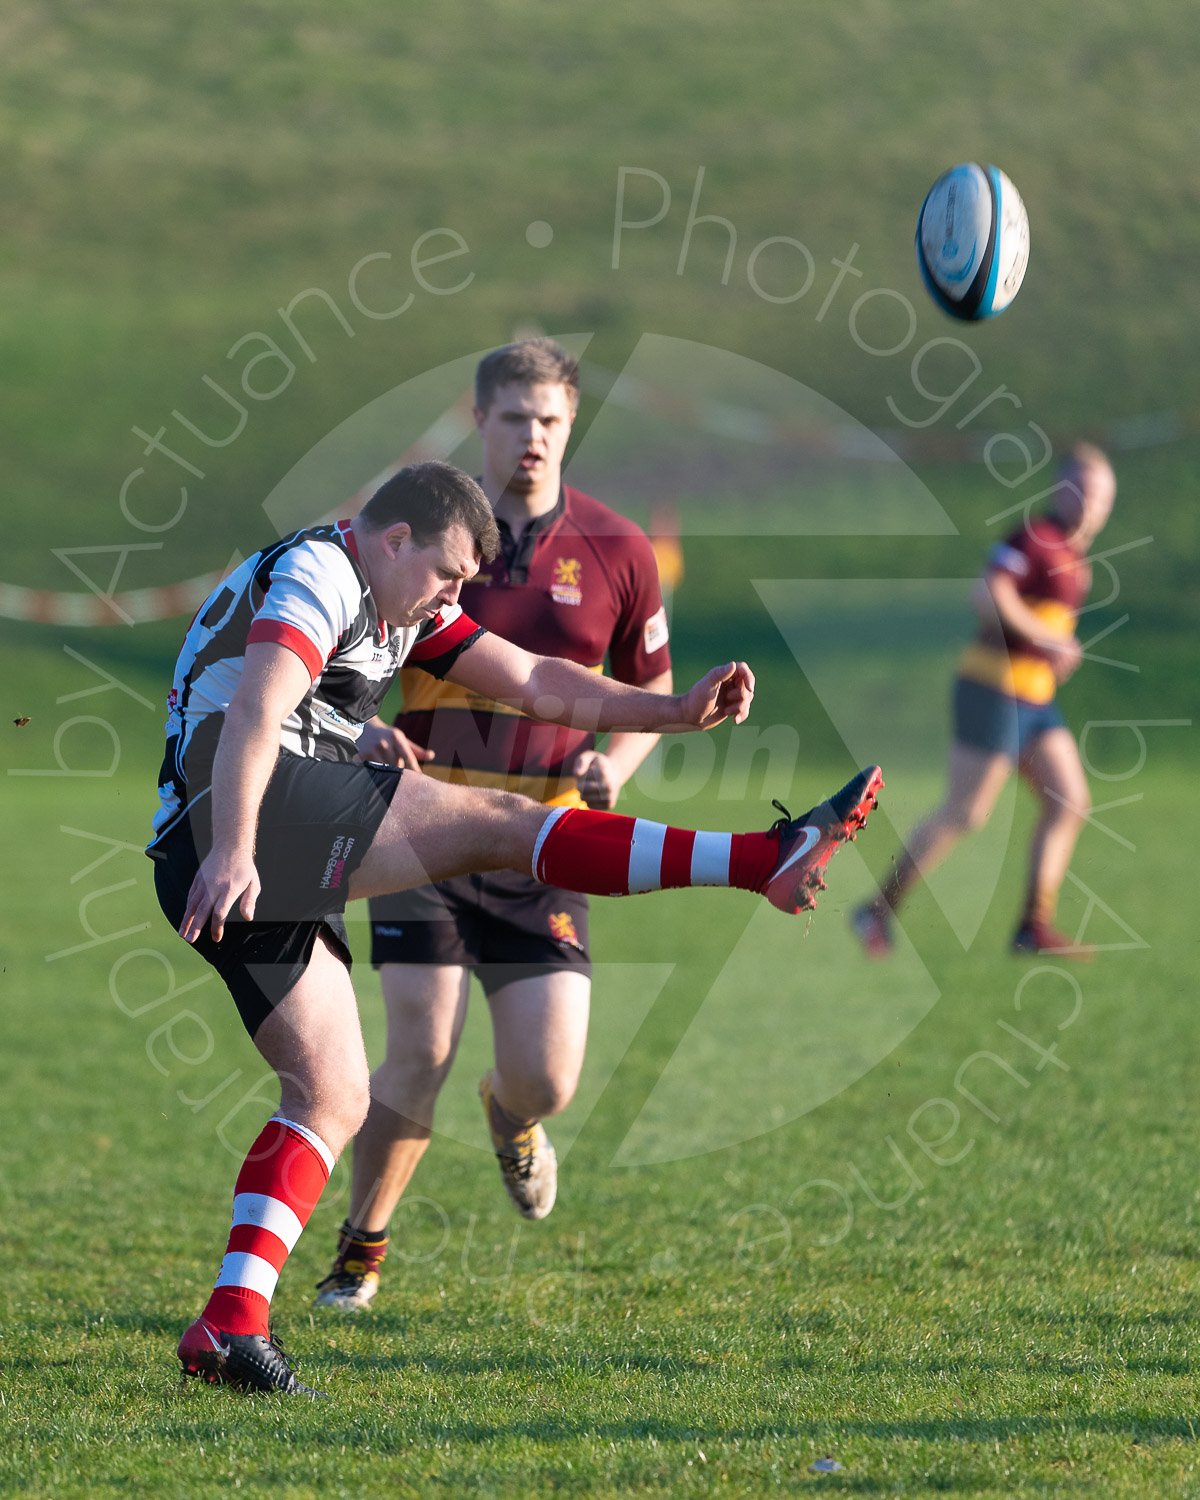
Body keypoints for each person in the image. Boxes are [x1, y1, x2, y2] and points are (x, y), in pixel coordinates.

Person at [147, 458, 882, 1395]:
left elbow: (533, 677)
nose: (452, 599)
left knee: (331, 1096)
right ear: (395, 536)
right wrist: (237, 848)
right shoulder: (323, 573)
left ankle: (228, 1325)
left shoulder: (395, 592)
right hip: (243, 825)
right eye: (447, 576)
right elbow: (255, 706)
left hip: (214, 849)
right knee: (501, 823)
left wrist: (672, 713)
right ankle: (756, 861)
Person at [313, 340, 674, 1314]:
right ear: (481, 419)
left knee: (549, 1079)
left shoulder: (618, 550)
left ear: (570, 426)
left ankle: (512, 1117)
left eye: (551, 419)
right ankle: (360, 1252)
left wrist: (617, 762)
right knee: (418, 1048)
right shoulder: (423, 536)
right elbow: (342, 654)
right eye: (515, 417)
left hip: (542, 839)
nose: (532, 437)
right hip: (422, 832)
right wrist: (362, 727)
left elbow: (649, 688)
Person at [852, 443, 1115, 959]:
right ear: (1059, 489)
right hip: (993, 687)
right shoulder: (1036, 539)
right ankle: (877, 909)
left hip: (1035, 700)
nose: (1088, 501)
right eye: (1079, 488)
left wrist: (1052, 645)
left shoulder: (1074, 555)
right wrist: (1046, 637)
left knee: (1070, 801)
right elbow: (988, 593)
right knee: (966, 813)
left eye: (1100, 493)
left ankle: (1033, 927)